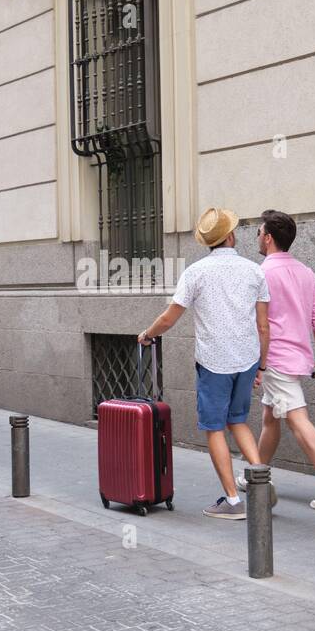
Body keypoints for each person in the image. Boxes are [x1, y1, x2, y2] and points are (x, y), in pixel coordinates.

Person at [137, 208, 270, 520]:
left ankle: (234, 501)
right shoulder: (255, 271)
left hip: (214, 361)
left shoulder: (196, 273)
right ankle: (263, 482)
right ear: (230, 236)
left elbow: (170, 317)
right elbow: (264, 326)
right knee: (238, 421)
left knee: (214, 428)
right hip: (247, 357)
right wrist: (261, 366)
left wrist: (147, 334)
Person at [242, 210, 315, 510]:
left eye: (259, 232)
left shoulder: (261, 273)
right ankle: (255, 470)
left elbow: (256, 321)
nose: (257, 237)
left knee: (296, 417)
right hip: (299, 355)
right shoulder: (305, 271)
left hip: (275, 357)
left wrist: (258, 364)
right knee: (270, 416)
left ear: (268, 237)